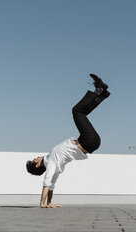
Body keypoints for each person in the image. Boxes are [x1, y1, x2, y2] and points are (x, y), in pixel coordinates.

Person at [26, 73, 110, 208]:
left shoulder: (52, 162)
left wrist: (49, 202)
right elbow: (47, 183)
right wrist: (42, 203)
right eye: (34, 160)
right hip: (87, 141)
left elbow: (51, 185)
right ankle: (99, 91)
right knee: (77, 111)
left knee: (81, 112)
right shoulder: (51, 162)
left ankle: (101, 93)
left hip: (88, 142)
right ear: (37, 165)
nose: (36, 157)